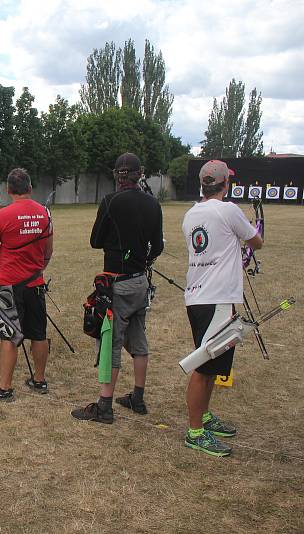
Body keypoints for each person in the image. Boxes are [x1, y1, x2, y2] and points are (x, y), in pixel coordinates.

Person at [71, 152, 164, 424]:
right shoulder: (152, 203)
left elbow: (95, 240)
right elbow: (156, 246)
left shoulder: (111, 201)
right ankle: (137, 396)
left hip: (117, 284)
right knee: (138, 339)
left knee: (110, 341)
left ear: (117, 175)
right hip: (139, 282)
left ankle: (104, 406)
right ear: (140, 173)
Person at [181, 160, 263, 457]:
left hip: (203, 297)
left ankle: (203, 417)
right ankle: (195, 433)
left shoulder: (191, 214)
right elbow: (258, 241)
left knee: (214, 364)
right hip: (214, 300)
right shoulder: (228, 210)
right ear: (225, 184)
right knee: (204, 367)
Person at [0, 168, 53, 400]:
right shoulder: (45, 214)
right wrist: (38, 268)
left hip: (9, 284)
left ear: (8, 190)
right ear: (30, 188)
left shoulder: (3, 215)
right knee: (39, 334)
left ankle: (4, 387)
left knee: (8, 335)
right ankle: (39, 380)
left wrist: (3, 250)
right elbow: (48, 251)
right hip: (36, 283)